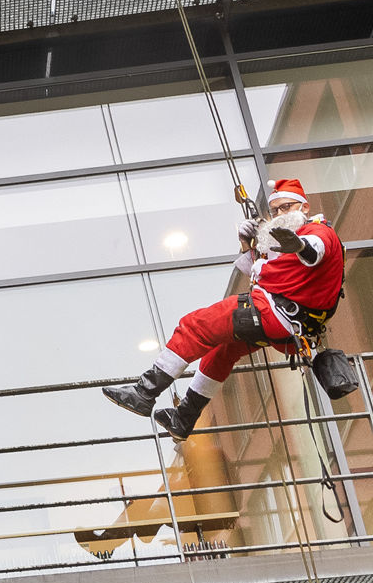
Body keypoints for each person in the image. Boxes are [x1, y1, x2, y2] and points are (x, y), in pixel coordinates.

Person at [103, 178, 345, 440]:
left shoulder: (318, 232)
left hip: (275, 313)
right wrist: (247, 244)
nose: (279, 214)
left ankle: (144, 392)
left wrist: (298, 246)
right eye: (275, 210)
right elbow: (264, 274)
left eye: (286, 207)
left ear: (305, 206)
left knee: (196, 325)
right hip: (286, 324)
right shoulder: (287, 242)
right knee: (220, 351)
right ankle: (183, 418)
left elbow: (314, 251)